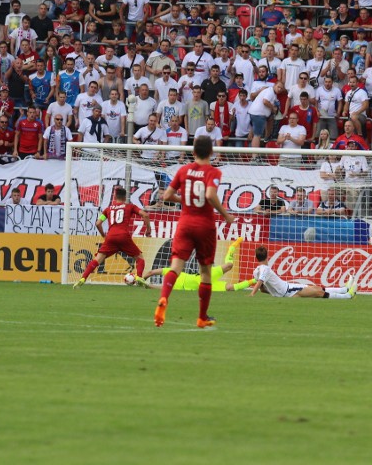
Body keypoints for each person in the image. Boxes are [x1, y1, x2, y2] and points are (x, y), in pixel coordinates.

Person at [154, 136, 235, 329]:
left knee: (175, 267)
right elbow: (209, 194)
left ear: (193, 152)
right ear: (212, 152)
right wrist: (225, 214)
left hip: (184, 223)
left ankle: (164, 297)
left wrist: (186, 200)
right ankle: (201, 317)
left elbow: (166, 195)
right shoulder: (213, 171)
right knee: (205, 272)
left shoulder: (183, 170)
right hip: (204, 225)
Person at [74, 186, 152, 288]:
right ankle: (139, 277)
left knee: (97, 260)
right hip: (124, 236)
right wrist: (148, 230)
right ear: (125, 198)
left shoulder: (108, 209)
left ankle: (83, 278)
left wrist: (103, 235)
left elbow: (98, 223)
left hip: (111, 237)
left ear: (114, 197)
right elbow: (145, 215)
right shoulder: (130, 207)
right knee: (139, 258)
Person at [250, 245, 355, 299]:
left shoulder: (256, 271)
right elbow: (260, 282)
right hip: (288, 290)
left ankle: (344, 289)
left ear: (256, 258)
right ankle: (347, 296)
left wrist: (275, 293)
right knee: (318, 292)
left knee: (315, 289)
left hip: (287, 290)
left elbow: (263, 289)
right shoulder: (265, 269)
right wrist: (252, 294)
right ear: (267, 256)